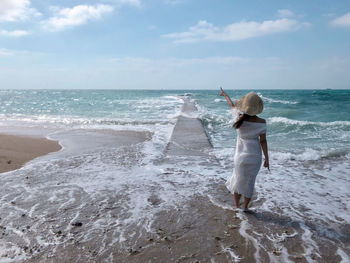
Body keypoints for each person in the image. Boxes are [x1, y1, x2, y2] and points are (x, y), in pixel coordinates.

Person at [220, 88, 269, 212]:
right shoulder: (262, 123)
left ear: (244, 106)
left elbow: (230, 104)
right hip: (255, 158)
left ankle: (237, 206)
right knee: (250, 182)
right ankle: (245, 207)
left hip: (240, 157)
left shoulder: (238, 118)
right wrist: (267, 159)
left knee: (238, 180)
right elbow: (263, 141)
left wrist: (225, 94)